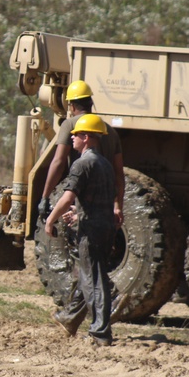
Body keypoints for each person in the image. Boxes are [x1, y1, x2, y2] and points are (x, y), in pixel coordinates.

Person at [45, 114, 117, 346]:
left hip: (92, 231)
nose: (72, 138)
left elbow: (67, 198)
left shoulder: (82, 163)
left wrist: (50, 220)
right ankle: (77, 320)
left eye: (75, 135)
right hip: (105, 228)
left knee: (92, 281)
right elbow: (101, 201)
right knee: (93, 277)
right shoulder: (105, 164)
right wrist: (78, 214)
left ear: (86, 138)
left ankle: (99, 332)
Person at [39, 80, 124, 227]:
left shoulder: (71, 124)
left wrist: (45, 197)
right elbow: (119, 173)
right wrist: (118, 206)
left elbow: (59, 161)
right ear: (90, 103)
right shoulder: (110, 130)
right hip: (103, 199)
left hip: (80, 195)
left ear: (71, 105)